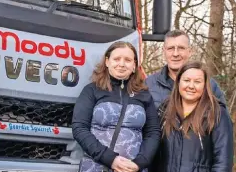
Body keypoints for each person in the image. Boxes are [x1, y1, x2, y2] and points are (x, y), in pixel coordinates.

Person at [72, 41, 160, 172]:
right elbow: (79, 128)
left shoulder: (144, 95)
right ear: (107, 62)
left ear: (134, 65)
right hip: (96, 166)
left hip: (133, 169)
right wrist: (110, 159)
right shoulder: (92, 90)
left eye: (128, 60)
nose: (122, 64)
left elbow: (153, 132)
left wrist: (140, 162)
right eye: (117, 59)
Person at [151, 61, 233, 172]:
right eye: (186, 80)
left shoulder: (216, 113)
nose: (191, 86)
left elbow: (223, 162)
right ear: (178, 82)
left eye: (197, 82)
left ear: (205, 85)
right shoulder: (165, 109)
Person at [146, 30, 226, 108]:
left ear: (190, 51)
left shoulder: (209, 85)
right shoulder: (149, 84)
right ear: (164, 51)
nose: (175, 54)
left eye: (181, 48)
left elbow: (222, 119)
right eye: (170, 48)